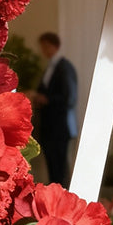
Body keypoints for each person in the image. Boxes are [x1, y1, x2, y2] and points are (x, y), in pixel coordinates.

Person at [30, 31, 77, 188]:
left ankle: (62, 197)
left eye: (46, 46)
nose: (43, 49)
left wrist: (47, 99)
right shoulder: (51, 67)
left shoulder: (64, 67)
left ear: (54, 46)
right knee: (52, 165)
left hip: (59, 126)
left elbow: (69, 97)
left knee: (60, 166)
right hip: (49, 126)